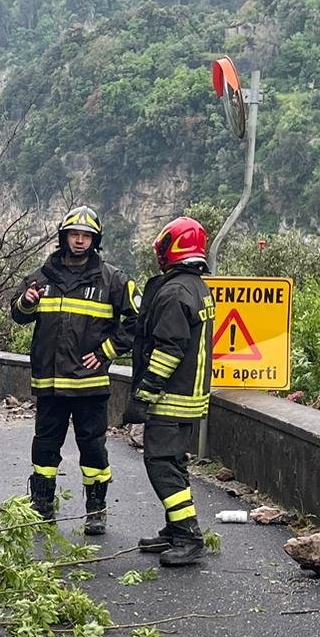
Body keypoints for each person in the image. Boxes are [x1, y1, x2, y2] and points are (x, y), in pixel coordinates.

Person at [10, 205, 139, 534]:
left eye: (86, 236)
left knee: (92, 447)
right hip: (49, 382)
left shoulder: (113, 280)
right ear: (63, 237)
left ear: (95, 241)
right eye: (74, 235)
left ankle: (96, 509)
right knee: (44, 446)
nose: (80, 241)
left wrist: (107, 351)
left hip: (88, 384)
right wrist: (26, 301)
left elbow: (138, 322)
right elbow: (18, 314)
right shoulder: (42, 276)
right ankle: (42, 505)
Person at [123, 216, 216, 567]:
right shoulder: (196, 287)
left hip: (171, 399)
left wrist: (144, 394)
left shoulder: (176, 291)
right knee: (174, 463)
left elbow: (168, 350)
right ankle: (174, 530)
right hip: (190, 398)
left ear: (170, 248)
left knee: (161, 463)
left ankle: (189, 536)